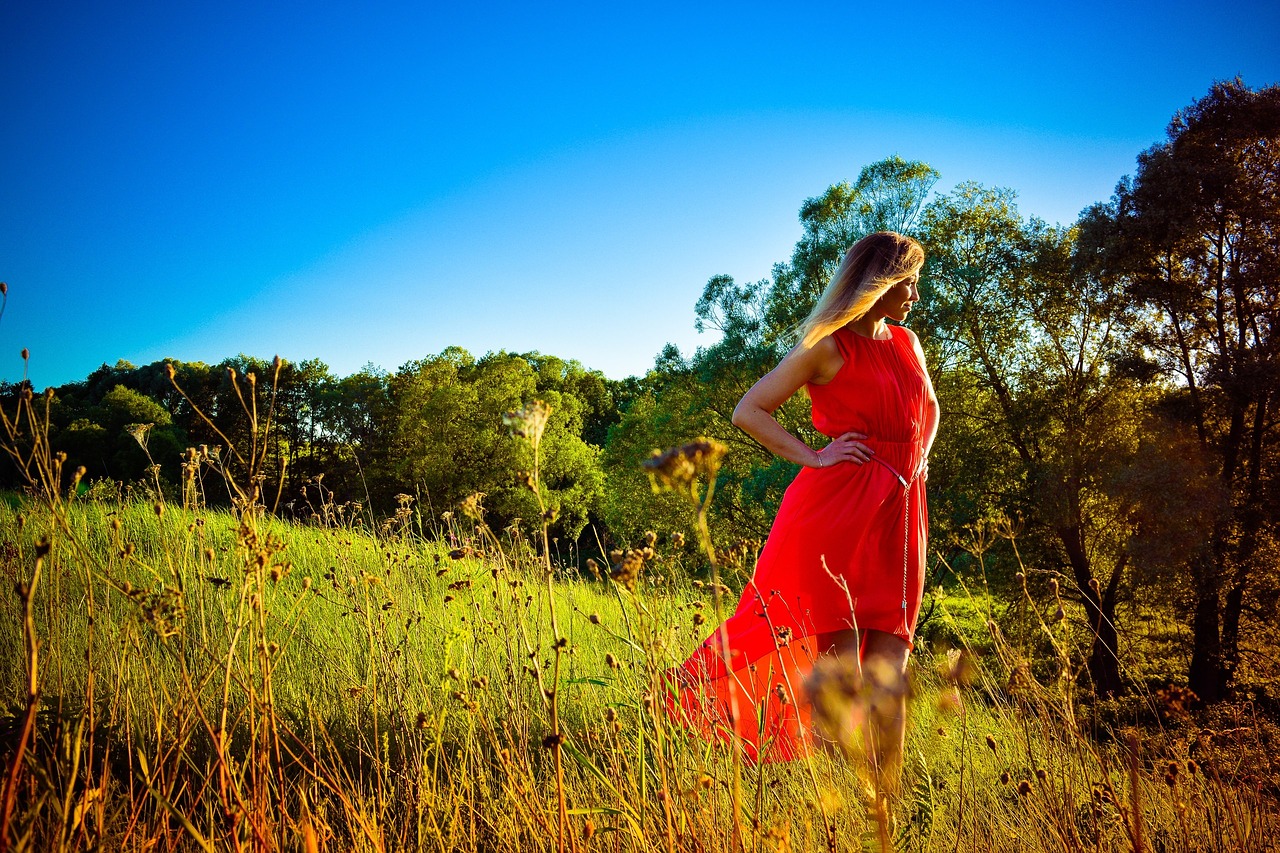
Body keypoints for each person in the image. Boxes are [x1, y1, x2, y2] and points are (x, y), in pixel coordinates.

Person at [669, 231, 938, 783]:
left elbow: (930, 407)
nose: (914, 290)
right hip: (836, 510)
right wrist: (815, 457)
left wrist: (918, 459)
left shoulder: (908, 342)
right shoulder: (827, 345)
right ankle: (834, 793)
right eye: (907, 279)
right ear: (878, 282)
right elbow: (750, 410)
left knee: (894, 648)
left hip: (903, 508)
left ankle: (886, 792)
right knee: (838, 655)